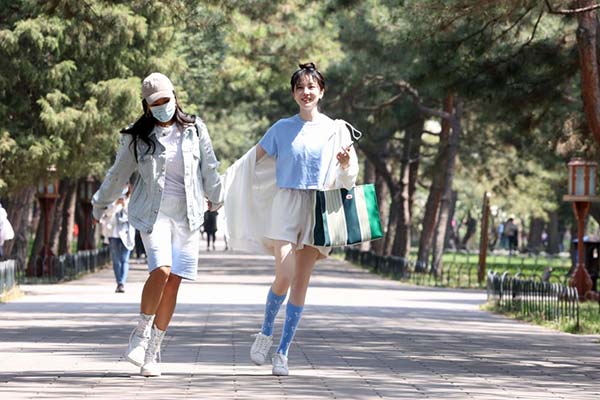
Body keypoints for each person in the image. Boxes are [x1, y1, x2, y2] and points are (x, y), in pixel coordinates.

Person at [223, 62, 359, 376]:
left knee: (301, 281)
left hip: (317, 206)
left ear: (321, 91)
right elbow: (250, 161)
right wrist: (221, 185)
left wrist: (345, 163)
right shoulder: (281, 128)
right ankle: (265, 332)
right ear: (293, 94)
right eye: (300, 88)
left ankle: (282, 352)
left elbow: (349, 177)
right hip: (285, 204)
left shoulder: (336, 129)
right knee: (285, 273)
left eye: (311, 87)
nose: (305, 92)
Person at [92, 72, 222, 377]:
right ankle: (140, 333)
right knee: (161, 270)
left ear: (175, 97)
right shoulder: (136, 137)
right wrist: (100, 203)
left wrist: (216, 198)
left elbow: (209, 165)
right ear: (146, 106)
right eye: (155, 103)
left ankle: (153, 352)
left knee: (174, 280)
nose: (162, 106)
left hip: (188, 216)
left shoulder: (195, 129)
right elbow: (117, 174)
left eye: (166, 99)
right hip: (153, 214)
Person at [99, 188, 135, 293]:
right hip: (113, 233)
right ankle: (119, 282)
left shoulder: (132, 199)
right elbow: (106, 213)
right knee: (116, 260)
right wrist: (115, 204)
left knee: (124, 259)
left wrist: (124, 205)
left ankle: (122, 283)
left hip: (126, 234)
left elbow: (133, 216)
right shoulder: (111, 199)